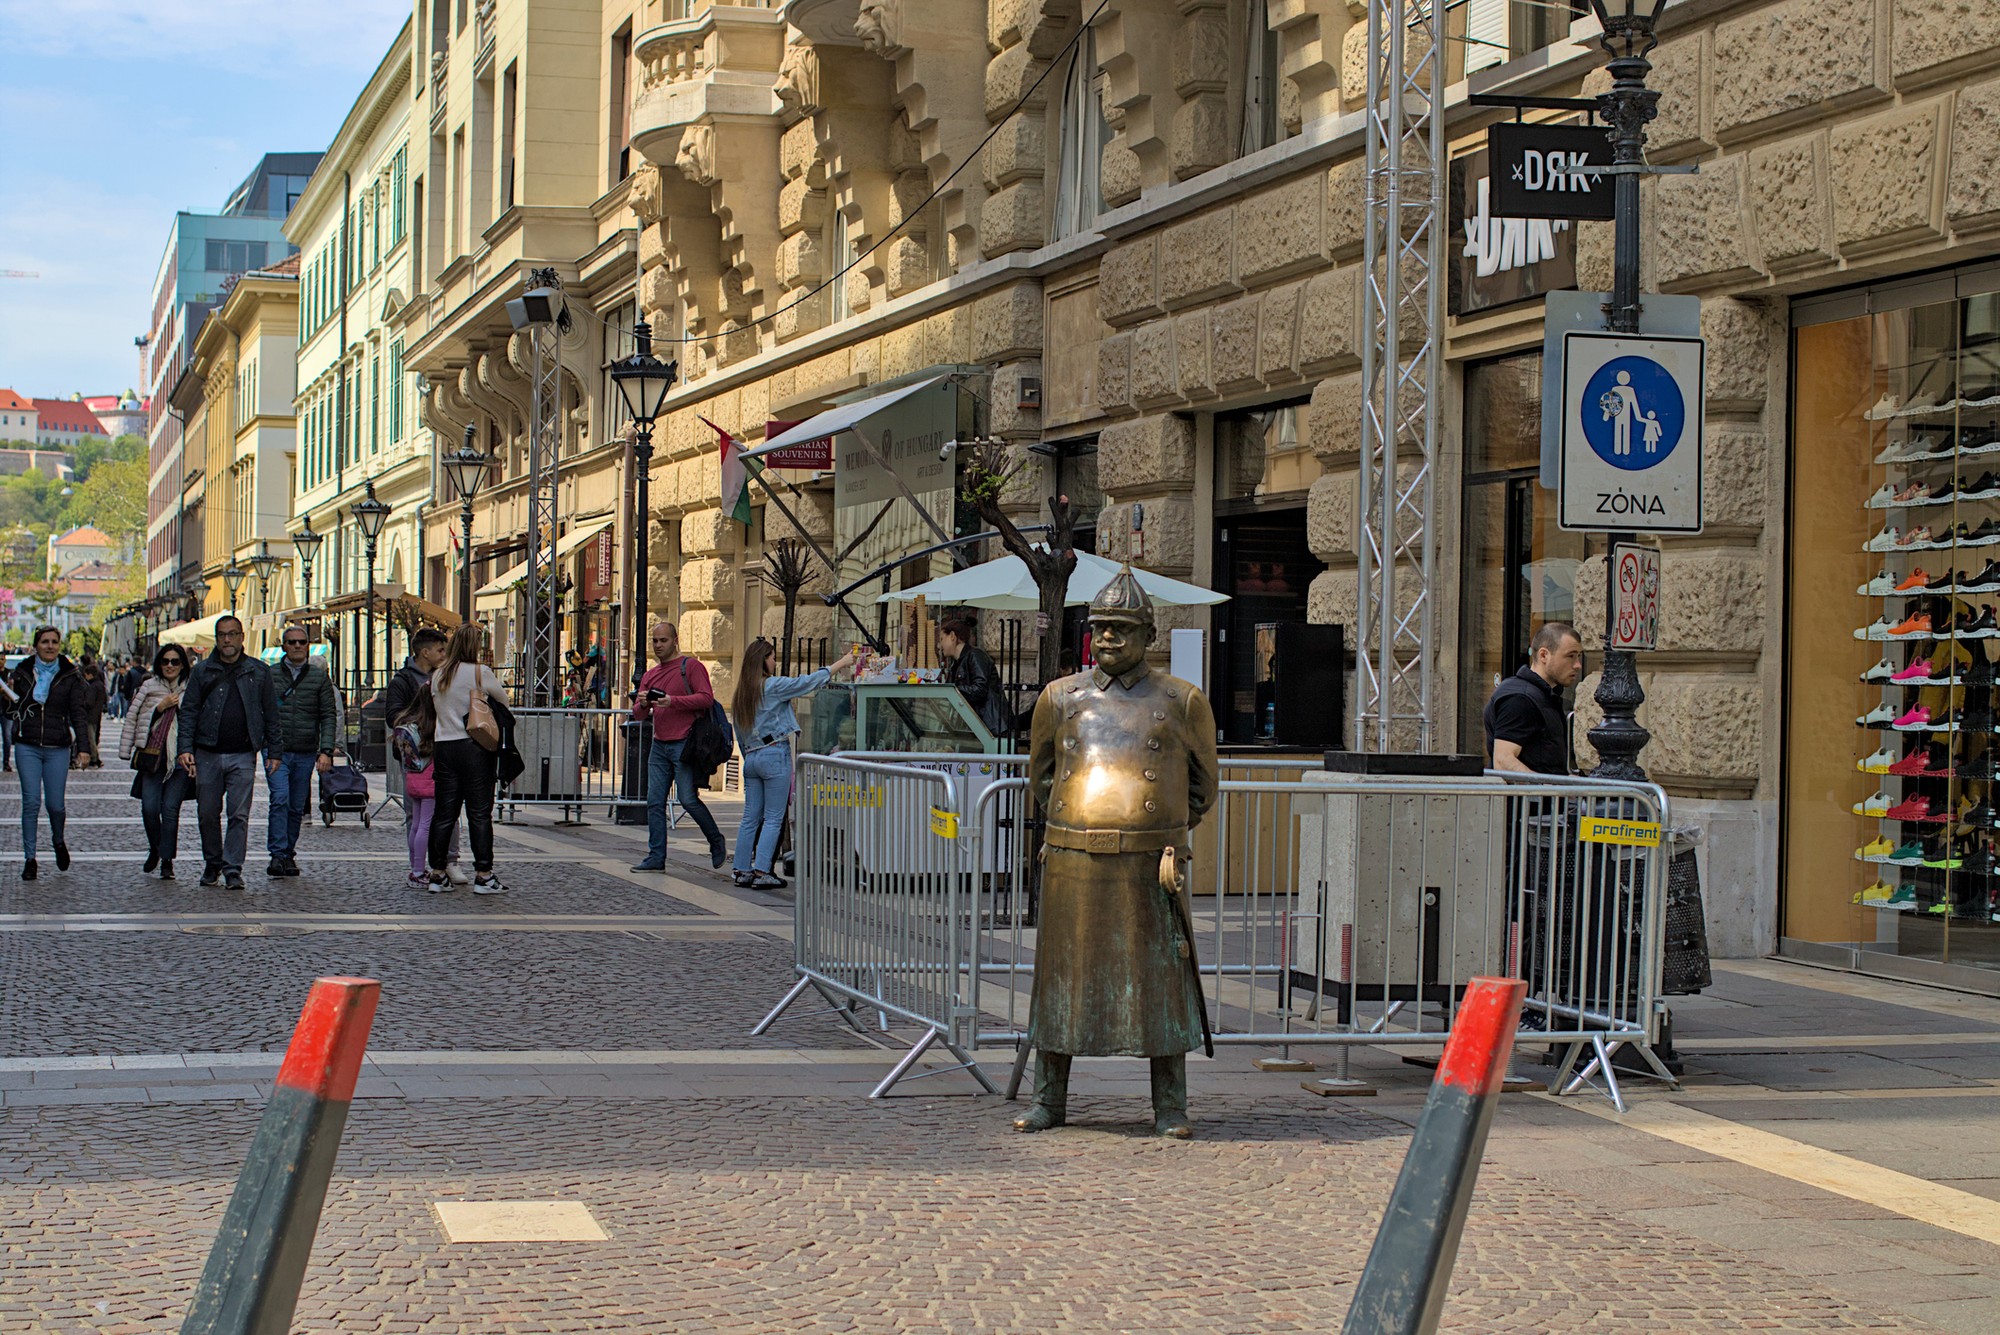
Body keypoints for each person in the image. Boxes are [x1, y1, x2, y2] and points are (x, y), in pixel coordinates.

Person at [1014, 566, 1218, 1139]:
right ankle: (1049, 1101)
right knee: (1062, 982)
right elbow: (1044, 776)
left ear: (1147, 635)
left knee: (1161, 987)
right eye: (1101, 627)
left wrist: (1164, 832)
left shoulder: (1181, 700)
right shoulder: (1060, 698)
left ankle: (1170, 1106)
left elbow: (1203, 785)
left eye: (1122, 630)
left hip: (1148, 863)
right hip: (1074, 859)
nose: (1108, 638)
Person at [729, 638, 862, 890]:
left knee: (750, 817)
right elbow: (805, 683)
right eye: (772, 657)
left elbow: (738, 729)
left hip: (753, 756)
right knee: (773, 817)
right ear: (763, 660)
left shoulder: (742, 693)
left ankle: (741, 868)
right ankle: (762, 870)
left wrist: (751, 758)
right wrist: (840, 664)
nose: (775, 661)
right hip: (773, 753)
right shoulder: (772, 686)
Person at [176, 615, 278, 890]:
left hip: (243, 754)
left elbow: (271, 713)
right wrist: (185, 748)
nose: (227, 640)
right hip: (207, 752)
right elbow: (189, 712)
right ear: (216, 638)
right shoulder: (203, 671)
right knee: (207, 812)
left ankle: (233, 868)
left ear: (242, 637)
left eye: (232, 634)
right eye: (222, 635)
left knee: (239, 814)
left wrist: (274, 751)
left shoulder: (258, 671)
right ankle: (212, 862)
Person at [630, 620, 728, 872]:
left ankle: (716, 840)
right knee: (654, 801)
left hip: (685, 744)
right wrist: (643, 703)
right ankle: (656, 856)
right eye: (654, 641)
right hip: (659, 745)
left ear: (675, 641)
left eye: (663, 640)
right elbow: (638, 716)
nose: (658, 645)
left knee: (687, 799)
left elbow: (706, 698)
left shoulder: (691, 667)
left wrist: (672, 701)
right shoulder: (650, 675)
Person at [429, 622, 511, 895]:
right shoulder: (480, 672)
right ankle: (484, 874)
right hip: (474, 747)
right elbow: (504, 701)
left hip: (444, 747)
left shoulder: (438, 674)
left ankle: (437, 874)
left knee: (444, 813)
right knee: (479, 813)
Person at [6, 626, 88, 880]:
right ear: (36, 645)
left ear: (59, 645)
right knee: (31, 802)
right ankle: (30, 859)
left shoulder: (70, 675)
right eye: (45, 642)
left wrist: (84, 748)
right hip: (27, 744)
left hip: (57, 746)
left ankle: (58, 840)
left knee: (56, 805)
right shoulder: (21, 673)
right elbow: (10, 710)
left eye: (54, 642)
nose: (50, 646)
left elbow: (78, 713)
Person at [385, 627, 465, 887]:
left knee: (447, 811)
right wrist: (424, 722)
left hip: (446, 751)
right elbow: (394, 716)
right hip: (420, 757)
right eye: (441, 650)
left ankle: (447, 861)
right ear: (425, 652)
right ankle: (418, 866)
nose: (445, 654)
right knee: (418, 815)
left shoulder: (447, 676)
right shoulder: (403, 681)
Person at [266, 627, 340, 877]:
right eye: (291, 642)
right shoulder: (271, 675)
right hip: (277, 752)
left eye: (301, 642)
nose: (297, 646)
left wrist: (326, 750)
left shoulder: (318, 678)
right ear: (283, 646)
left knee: (296, 805)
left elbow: (328, 715)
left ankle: (288, 854)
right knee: (280, 799)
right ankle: (277, 854)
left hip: (306, 751)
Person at [121, 645, 191, 879]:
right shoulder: (148, 687)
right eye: (165, 661)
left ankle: (167, 861)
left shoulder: (190, 688)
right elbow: (133, 716)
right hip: (153, 756)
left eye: (175, 661)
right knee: (149, 808)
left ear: (182, 664)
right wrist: (159, 709)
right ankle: (155, 848)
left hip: (179, 759)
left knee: (170, 810)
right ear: (159, 664)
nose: (170, 666)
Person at [1483, 620, 1584, 775]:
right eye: (1570, 656)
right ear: (1544, 655)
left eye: (1578, 656)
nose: (1577, 665)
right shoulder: (1520, 698)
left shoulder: (1544, 696)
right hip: (1528, 799)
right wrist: (1547, 789)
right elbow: (1503, 761)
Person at [937, 613, 1013, 742]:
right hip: (979, 728)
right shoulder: (957, 663)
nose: (939, 646)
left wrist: (954, 690)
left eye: (941, 639)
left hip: (992, 728)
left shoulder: (975, 656)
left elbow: (979, 689)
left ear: (952, 636)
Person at [77, 652, 108, 767]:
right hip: (96, 714)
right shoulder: (100, 685)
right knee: (93, 736)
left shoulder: (93, 686)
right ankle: (95, 758)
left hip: (90, 715)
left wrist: (81, 704)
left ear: (90, 674)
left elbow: (89, 702)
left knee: (91, 738)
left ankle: (94, 758)